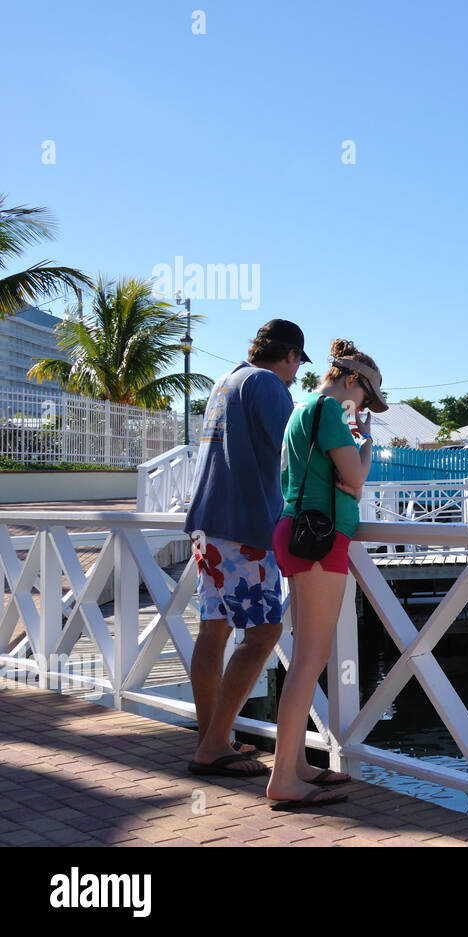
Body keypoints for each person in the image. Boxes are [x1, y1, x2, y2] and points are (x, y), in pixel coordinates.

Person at [265, 339, 388, 809]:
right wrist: (366, 444)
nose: (364, 408)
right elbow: (354, 479)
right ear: (351, 381)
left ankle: (294, 764)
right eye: (366, 399)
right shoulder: (333, 412)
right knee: (310, 661)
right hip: (319, 537)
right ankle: (283, 778)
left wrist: (349, 467)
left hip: (294, 529)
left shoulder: (303, 409)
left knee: (302, 659)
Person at [185, 319, 308, 778]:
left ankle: (209, 738)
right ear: (291, 356)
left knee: (214, 629)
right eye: (296, 364)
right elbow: (297, 451)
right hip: (245, 527)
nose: (295, 375)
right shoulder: (269, 385)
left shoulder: (226, 381)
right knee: (263, 634)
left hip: (207, 525)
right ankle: (214, 746)